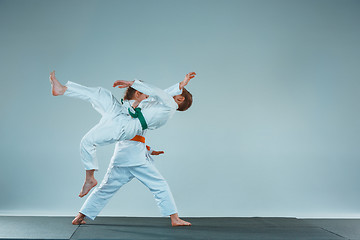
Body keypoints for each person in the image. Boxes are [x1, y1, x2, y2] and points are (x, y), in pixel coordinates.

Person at [49, 71, 195, 197]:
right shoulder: (159, 104)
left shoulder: (168, 107)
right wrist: (179, 86)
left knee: (87, 141)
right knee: (101, 93)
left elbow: (160, 94)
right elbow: (161, 94)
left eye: (177, 93)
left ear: (179, 99)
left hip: (125, 126)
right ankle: (63, 89)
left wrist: (181, 84)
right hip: (122, 114)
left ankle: (90, 178)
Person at [71, 82, 191, 226]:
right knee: (159, 185)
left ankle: (79, 216)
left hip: (122, 156)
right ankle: (175, 219)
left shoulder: (151, 109)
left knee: (105, 188)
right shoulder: (146, 108)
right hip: (135, 158)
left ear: (180, 99)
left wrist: (150, 150)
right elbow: (158, 96)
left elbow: (137, 133)